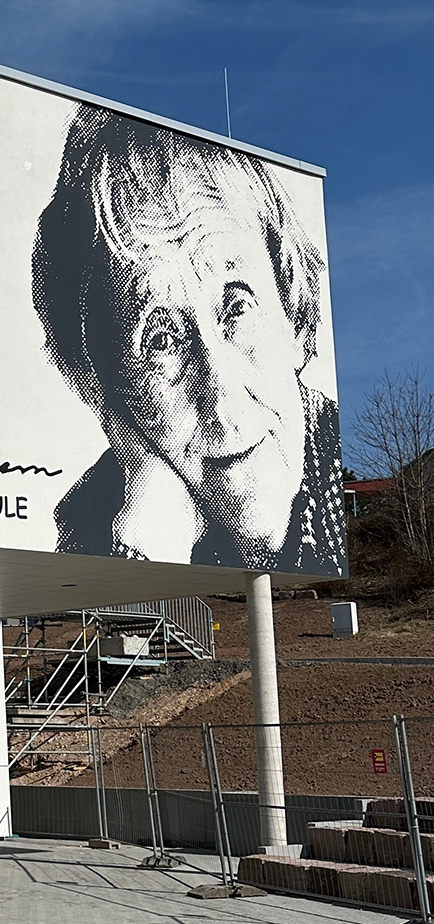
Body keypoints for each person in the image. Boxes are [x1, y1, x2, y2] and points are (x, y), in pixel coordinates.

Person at [31, 105, 347, 574]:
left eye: (237, 309)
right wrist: (145, 555)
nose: (220, 398)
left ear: (294, 314)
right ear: (101, 392)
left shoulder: (339, 482)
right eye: (161, 339)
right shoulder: (86, 530)